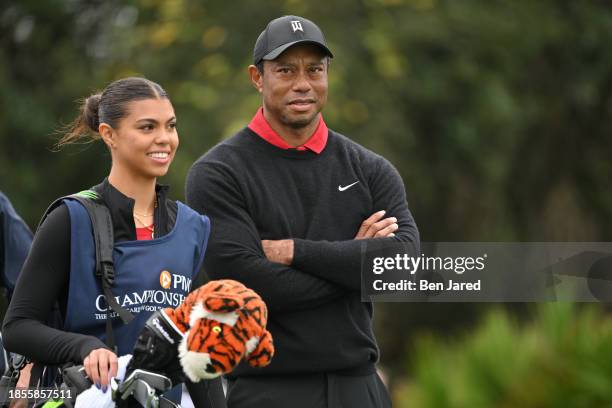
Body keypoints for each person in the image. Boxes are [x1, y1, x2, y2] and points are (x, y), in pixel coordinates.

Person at [186, 15, 419, 408]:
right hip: (269, 391)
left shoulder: (370, 168)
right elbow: (250, 288)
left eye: (315, 70)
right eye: (285, 70)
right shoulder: (218, 173)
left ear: (328, 74)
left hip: (359, 388)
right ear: (257, 78)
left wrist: (296, 252)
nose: (302, 84)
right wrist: (354, 265)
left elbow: (403, 266)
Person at [2, 77, 225, 407]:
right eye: (147, 127)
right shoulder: (70, 219)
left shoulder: (192, 228)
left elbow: (195, 346)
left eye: (170, 126)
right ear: (109, 135)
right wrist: (84, 347)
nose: (164, 138)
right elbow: (18, 327)